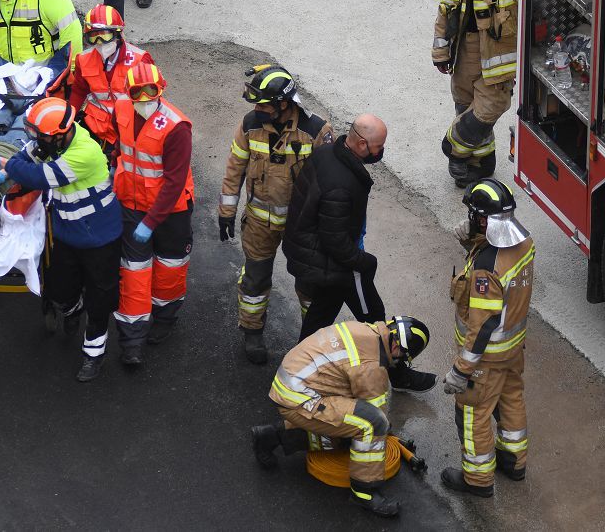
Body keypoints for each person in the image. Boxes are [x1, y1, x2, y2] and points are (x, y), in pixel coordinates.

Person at [282, 115, 437, 393]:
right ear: (363, 144)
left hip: (315, 255)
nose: (381, 152)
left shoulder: (328, 153)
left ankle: (295, 371)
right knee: (374, 318)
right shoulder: (343, 184)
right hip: (339, 263)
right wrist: (365, 262)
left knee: (319, 317)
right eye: (380, 146)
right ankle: (394, 374)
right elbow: (335, 241)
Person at [0, 98, 123, 381]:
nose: (37, 142)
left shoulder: (84, 153)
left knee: (101, 299)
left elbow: (37, 175)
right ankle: (73, 308)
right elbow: (26, 156)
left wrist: (4, 165)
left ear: (61, 134)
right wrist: (11, 166)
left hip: (99, 237)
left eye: (41, 137)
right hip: (68, 234)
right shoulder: (53, 141)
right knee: (59, 287)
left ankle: (93, 354)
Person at [251, 316, 431, 518]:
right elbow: (378, 416)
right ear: (398, 347)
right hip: (299, 398)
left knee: (349, 427)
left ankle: (270, 436)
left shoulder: (366, 330)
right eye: (402, 357)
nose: (398, 361)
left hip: (293, 385)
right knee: (371, 424)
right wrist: (384, 433)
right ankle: (364, 492)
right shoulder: (372, 364)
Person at [218, 65, 332, 364]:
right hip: (258, 222)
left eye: (263, 103)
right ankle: (252, 332)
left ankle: (311, 341)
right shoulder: (249, 125)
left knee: (309, 286)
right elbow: (235, 169)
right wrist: (226, 212)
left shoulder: (316, 131)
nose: (258, 109)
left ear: (284, 103)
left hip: (303, 228)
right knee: (255, 280)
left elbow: (331, 185)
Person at [442, 179, 532, 497]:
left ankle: (477, 480)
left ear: (482, 218)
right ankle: (513, 461)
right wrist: (471, 244)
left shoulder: (486, 269)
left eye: (473, 215)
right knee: (511, 400)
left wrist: (461, 370)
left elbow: (483, 325)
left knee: (472, 414)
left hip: (486, 359)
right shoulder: (524, 243)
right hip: (513, 350)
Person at [111, 62, 194, 364]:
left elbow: (174, 182)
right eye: (138, 93)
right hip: (131, 205)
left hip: (170, 212)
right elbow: (117, 147)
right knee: (133, 273)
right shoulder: (120, 110)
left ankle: (164, 319)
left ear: (162, 89)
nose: (145, 99)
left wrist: (151, 221)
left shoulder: (176, 127)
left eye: (152, 92)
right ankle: (131, 342)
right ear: (128, 93)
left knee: (169, 269)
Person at [433, 0, 519, 188]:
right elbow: (444, 13)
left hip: (499, 59)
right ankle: (481, 163)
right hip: (465, 51)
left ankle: (453, 149)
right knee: (465, 105)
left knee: (487, 109)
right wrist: (441, 52)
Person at [58, 4, 155, 149]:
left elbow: (150, 101)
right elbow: (79, 91)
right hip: (94, 125)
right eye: (93, 37)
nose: (99, 43)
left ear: (118, 34)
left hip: (126, 128)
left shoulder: (140, 60)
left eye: (104, 36)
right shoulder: (83, 60)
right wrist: (67, 119)